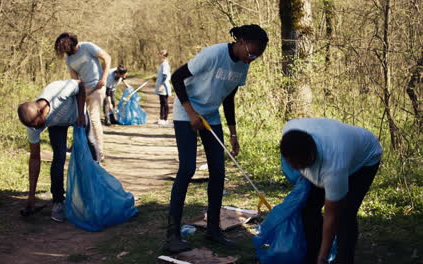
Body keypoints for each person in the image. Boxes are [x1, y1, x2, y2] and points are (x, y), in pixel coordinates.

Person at [165, 24, 269, 253]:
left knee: (219, 172)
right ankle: (172, 235)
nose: (252, 59)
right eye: (251, 53)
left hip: (211, 115)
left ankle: (213, 229)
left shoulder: (243, 65)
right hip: (187, 112)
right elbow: (176, 77)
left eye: (257, 56)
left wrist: (233, 133)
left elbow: (229, 97)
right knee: (187, 169)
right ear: (240, 41)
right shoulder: (213, 54)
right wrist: (191, 113)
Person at [280, 118, 383, 264]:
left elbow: (331, 215)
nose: (297, 169)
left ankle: (343, 259)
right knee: (308, 208)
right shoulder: (290, 130)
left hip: (365, 159)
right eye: (293, 165)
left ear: (311, 157)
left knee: (345, 214)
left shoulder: (334, 168)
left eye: (301, 165)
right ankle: (311, 254)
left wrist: (323, 256)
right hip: (341, 146)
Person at [17, 79, 99, 222]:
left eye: (38, 124)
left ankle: (98, 188)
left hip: (77, 114)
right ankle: (58, 202)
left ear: (41, 111)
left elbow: (80, 85)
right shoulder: (33, 125)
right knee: (59, 157)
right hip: (57, 125)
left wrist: (80, 114)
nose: (36, 129)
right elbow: (35, 158)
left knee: (92, 148)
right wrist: (31, 196)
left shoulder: (57, 92)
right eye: (32, 126)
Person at [54, 32, 111, 161]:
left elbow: (107, 58)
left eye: (66, 48)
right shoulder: (69, 60)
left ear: (72, 44)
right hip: (84, 90)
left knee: (94, 118)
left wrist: (104, 78)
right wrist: (77, 93)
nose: (65, 52)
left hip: (98, 85)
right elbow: (75, 80)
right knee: (79, 118)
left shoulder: (87, 47)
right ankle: (81, 147)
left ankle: (99, 153)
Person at [154, 49, 172, 126]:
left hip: (164, 87)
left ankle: (165, 119)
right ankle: (161, 118)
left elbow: (165, 76)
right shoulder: (162, 64)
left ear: (164, 56)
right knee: (161, 102)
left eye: (160, 54)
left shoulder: (165, 64)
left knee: (165, 103)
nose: (159, 56)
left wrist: (161, 85)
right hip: (161, 86)